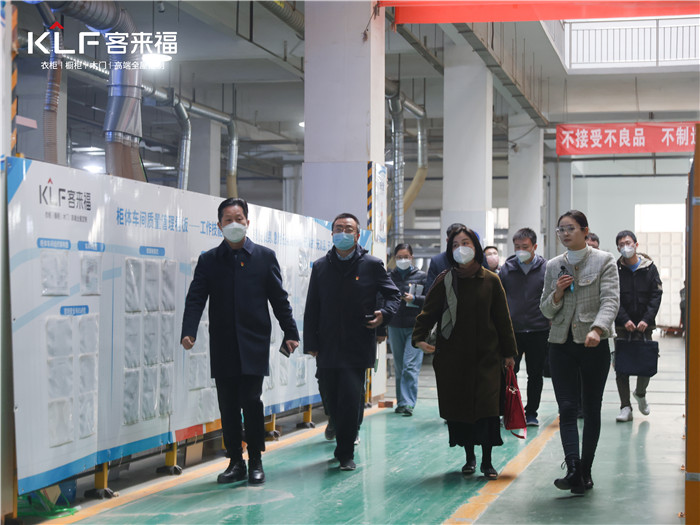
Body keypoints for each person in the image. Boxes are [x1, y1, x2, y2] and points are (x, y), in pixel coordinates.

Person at [181, 197, 300, 485]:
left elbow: (279, 299)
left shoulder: (264, 257)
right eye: (228, 220)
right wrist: (189, 330)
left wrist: (290, 332)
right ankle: (235, 460)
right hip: (223, 343)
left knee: (251, 400)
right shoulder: (209, 260)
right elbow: (196, 298)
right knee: (227, 404)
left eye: (239, 219)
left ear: (248, 222)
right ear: (219, 225)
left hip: (253, 342)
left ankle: (256, 459)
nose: (234, 224)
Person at [412, 226, 517, 480]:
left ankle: (487, 461)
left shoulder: (491, 280)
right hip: (453, 358)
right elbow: (428, 312)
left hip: (487, 357)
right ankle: (469, 458)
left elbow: (503, 319)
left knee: (487, 410)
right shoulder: (445, 280)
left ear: (476, 247)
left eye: (466, 243)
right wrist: (419, 338)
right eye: (456, 244)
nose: (461, 248)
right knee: (462, 411)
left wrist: (509, 353)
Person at [304, 212, 401, 471]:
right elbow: (312, 306)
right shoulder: (321, 266)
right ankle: (337, 426)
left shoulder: (372, 264)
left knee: (349, 398)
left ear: (357, 235)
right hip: (327, 344)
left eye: (348, 229)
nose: (343, 233)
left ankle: (345, 453)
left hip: (357, 343)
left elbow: (393, 296)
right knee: (329, 397)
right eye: (338, 228)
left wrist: (384, 315)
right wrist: (310, 342)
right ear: (332, 233)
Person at [540, 210, 619, 495]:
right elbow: (545, 309)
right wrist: (557, 294)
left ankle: (586, 470)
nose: (564, 233)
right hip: (560, 344)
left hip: (593, 345)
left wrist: (598, 329)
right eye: (560, 229)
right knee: (567, 407)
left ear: (585, 231)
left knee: (592, 407)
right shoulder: (553, 265)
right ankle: (573, 468)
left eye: (570, 228)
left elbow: (611, 300)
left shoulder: (605, 261)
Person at [498, 228, 549, 427]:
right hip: (513, 331)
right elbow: (499, 298)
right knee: (509, 373)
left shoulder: (546, 268)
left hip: (539, 330)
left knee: (535, 374)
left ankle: (531, 413)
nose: (521, 250)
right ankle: (509, 411)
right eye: (517, 247)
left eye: (525, 247)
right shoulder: (507, 269)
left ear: (535, 246)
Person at [613, 230, 663, 423]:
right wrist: (624, 319)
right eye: (621, 244)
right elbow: (613, 296)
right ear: (618, 248)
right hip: (622, 326)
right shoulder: (615, 269)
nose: (625, 247)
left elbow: (656, 295)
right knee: (621, 367)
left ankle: (640, 393)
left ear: (636, 244)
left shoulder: (649, 268)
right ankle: (625, 406)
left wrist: (646, 319)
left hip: (645, 326)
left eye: (628, 243)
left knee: (646, 363)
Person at [385, 243, 427, 417]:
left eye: (406, 257)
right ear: (394, 258)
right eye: (399, 257)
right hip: (395, 325)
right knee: (400, 365)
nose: (403, 260)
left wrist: (415, 298)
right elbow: (383, 298)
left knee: (410, 365)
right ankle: (401, 402)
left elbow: (430, 300)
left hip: (415, 326)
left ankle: (408, 403)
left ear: (412, 257)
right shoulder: (389, 277)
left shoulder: (422, 277)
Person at [425, 223, 466, 293]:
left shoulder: (478, 258)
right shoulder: (437, 261)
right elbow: (430, 292)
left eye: (463, 240)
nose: (460, 245)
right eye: (455, 239)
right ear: (448, 241)